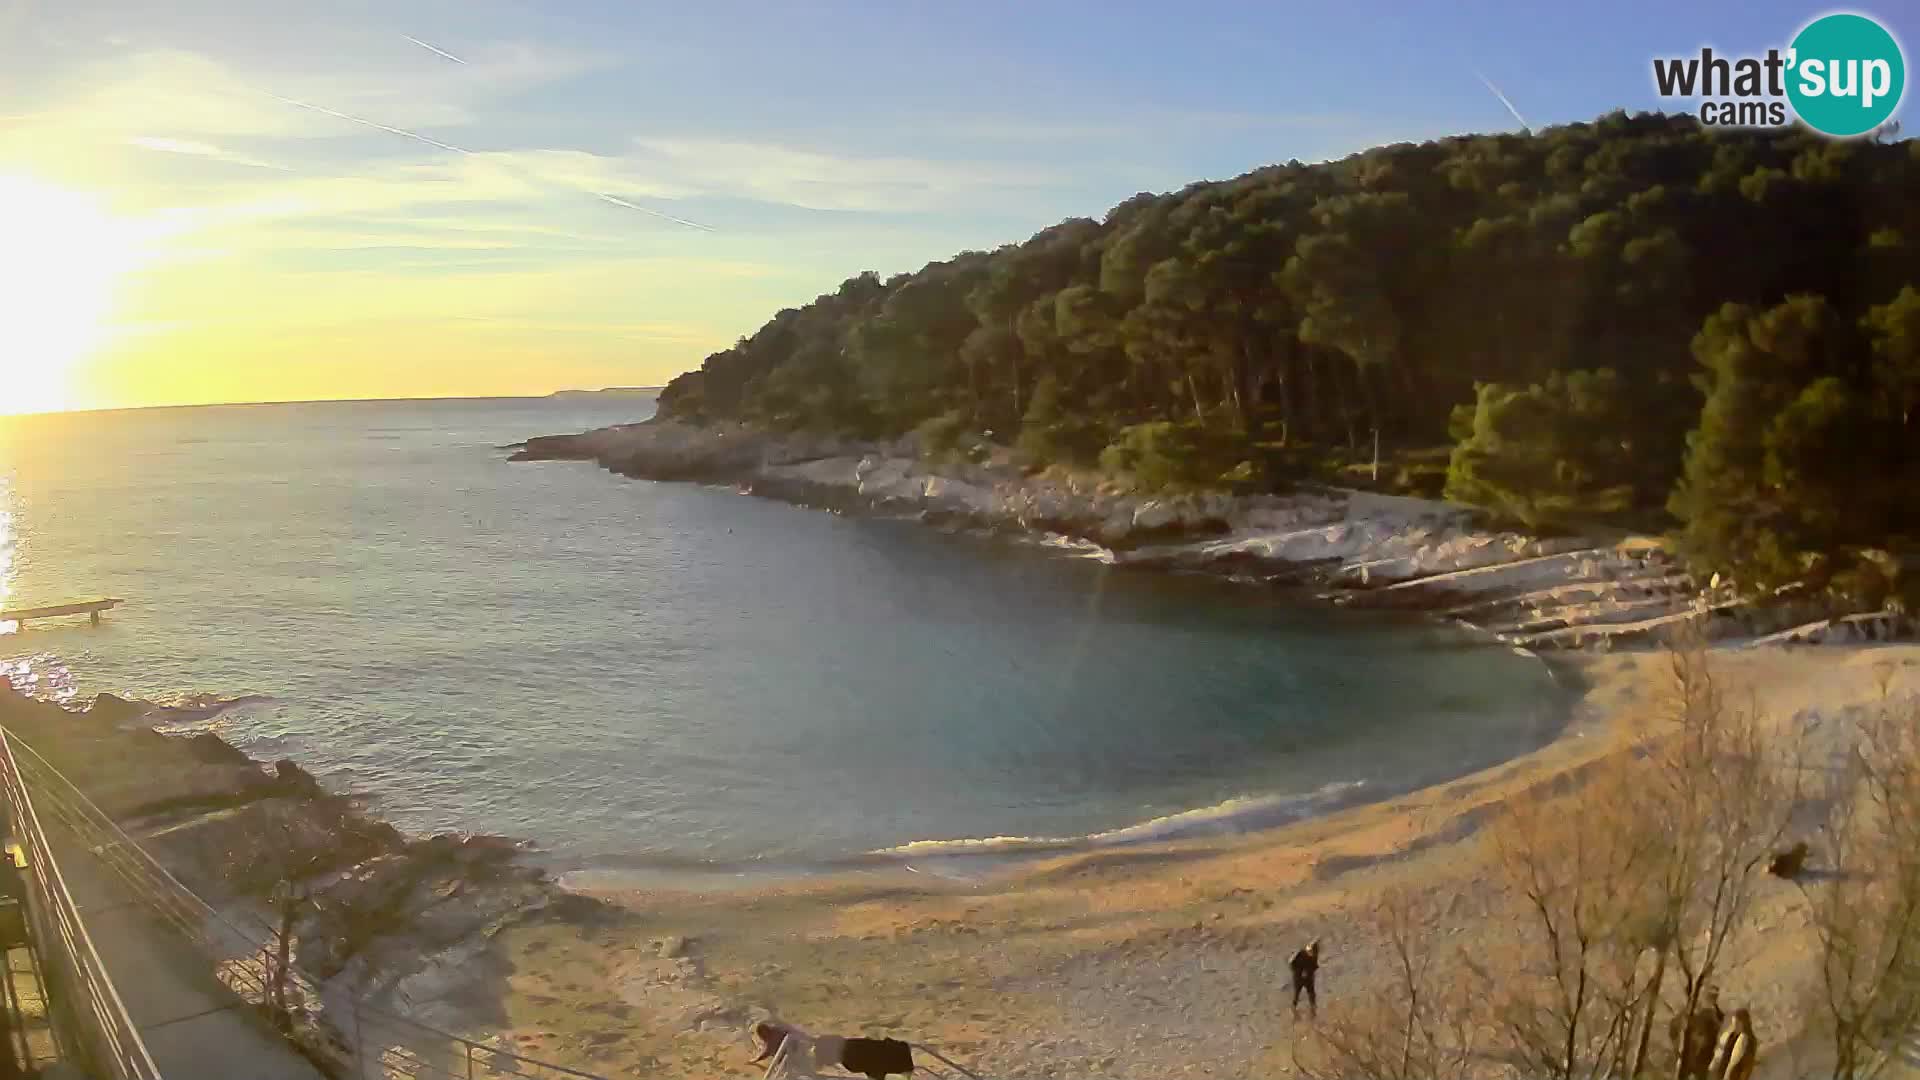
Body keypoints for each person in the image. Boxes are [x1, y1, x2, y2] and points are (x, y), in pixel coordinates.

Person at [1708, 1007, 1757, 1080]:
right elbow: (1720, 1053)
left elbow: (1747, 1066)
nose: (1734, 1026)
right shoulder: (1730, 1035)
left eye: (1737, 1023)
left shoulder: (1749, 1041)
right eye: (1733, 1023)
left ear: (1744, 1023)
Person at [1289, 939, 1321, 1018]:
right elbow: (1291, 963)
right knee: (1297, 994)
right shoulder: (1300, 953)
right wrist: (1300, 972)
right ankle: (1293, 1009)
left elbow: (1314, 966)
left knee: (1312, 993)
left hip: (1308, 977)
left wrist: (1309, 971)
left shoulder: (1314, 955)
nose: (1312, 954)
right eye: (1312, 952)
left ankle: (1313, 1009)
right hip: (1298, 977)